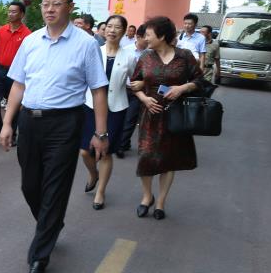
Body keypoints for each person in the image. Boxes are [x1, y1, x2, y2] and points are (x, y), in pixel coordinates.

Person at [0, 0, 109, 273]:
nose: (49, 9)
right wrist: (8, 123)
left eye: (56, 4)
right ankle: (51, 223)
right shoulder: (31, 41)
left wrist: (100, 133)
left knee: (55, 188)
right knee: (29, 185)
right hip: (30, 122)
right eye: (46, 4)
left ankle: (39, 257)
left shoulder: (86, 44)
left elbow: (99, 90)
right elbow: (18, 84)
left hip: (65, 124)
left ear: (69, 7)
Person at [131, 16, 204, 221]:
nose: (145, 38)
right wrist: (144, 99)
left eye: (148, 35)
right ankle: (147, 196)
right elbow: (134, 83)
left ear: (162, 36)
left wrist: (182, 87)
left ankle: (161, 202)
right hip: (150, 113)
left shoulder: (184, 56)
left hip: (174, 114)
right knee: (146, 156)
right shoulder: (145, 56)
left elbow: (200, 80)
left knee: (168, 160)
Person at [79, 15, 137, 209]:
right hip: (90, 106)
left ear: (124, 31)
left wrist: (142, 84)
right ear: (103, 29)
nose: (112, 30)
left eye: (117, 27)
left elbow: (136, 79)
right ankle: (93, 173)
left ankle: (101, 191)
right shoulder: (94, 51)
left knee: (105, 153)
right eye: (109, 26)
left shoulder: (129, 56)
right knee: (84, 151)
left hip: (116, 108)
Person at [0, 1, 31, 145]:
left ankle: (12, 132)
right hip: (0, 70)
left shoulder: (27, 34)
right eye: (9, 11)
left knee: (15, 104)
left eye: (14, 11)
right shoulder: (1, 30)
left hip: (16, 73)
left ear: (21, 14)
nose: (10, 14)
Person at [117, 23, 148, 158]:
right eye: (146, 37)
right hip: (123, 89)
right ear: (138, 37)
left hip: (139, 92)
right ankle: (125, 142)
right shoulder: (125, 50)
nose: (148, 40)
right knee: (121, 117)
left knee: (130, 118)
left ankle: (121, 146)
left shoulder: (151, 53)